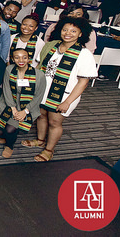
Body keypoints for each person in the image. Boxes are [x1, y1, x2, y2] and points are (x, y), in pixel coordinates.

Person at [24, 16, 97, 162]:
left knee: (55, 122)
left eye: (73, 31)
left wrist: (68, 102)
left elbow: (83, 82)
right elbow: (39, 68)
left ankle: (49, 150)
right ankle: (40, 140)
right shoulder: (51, 46)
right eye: (65, 29)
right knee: (41, 115)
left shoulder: (84, 54)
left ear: (80, 34)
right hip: (44, 90)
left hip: (64, 95)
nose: (67, 33)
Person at [0, 48, 46, 158]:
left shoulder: (39, 75)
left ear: (29, 59)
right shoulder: (9, 69)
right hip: (9, 102)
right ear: (13, 59)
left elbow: (38, 97)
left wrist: (25, 111)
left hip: (28, 105)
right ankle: (7, 135)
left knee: (9, 130)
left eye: (24, 57)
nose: (21, 60)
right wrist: (13, 108)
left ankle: (9, 146)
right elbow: (6, 89)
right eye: (17, 57)